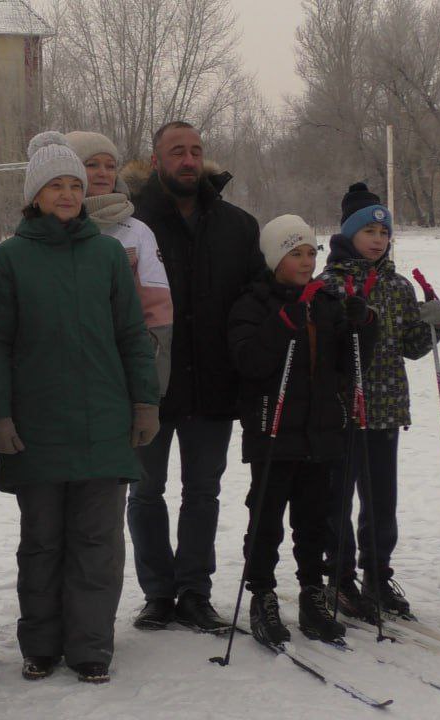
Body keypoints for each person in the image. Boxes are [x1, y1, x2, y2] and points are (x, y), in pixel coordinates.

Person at [0, 131, 159, 683]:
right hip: (36, 426)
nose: (67, 194)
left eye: (73, 185)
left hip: (104, 422)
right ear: (34, 196)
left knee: (98, 544)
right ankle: (41, 643)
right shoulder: (8, 259)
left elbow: (132, 332)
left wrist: (144, 401)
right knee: (42, 542)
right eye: (54, 185)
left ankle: (90, 647)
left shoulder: (107, 254)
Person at [125, 121, 262, 633]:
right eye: (176, 151)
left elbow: (254, 304)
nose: (187, 160)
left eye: (196, 151)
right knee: (145, 492)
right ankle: (157, 593)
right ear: (157, 160)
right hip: (149, 386)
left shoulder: (237, 226)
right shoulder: (131, 224)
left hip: (214, 385)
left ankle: (194, 591)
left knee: (203, 492)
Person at [227, 214, 375, 645]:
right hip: (272, 430)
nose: (307, 261)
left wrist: (361, 323)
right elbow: (249, 363)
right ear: (275, 258)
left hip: (320, 431)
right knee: (267, 517)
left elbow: (351, 364)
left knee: (315, 519)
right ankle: (263, 593)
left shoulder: (325, 303)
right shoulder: (253, 304)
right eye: (296, 253)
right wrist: (283, 324)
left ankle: (313, 591)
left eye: (312, 252)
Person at [318, 182, 440, 620]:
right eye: (369, 231)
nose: (377, 239)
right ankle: (340, 576)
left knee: (381, 501)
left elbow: (412, 346)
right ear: (349, 233)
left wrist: (432, 326)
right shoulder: (330, 285)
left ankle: (377, 573)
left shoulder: (398, 287)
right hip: (343, 411)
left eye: (385, 233)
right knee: (337, 499)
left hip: (386, 407)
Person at [66, 130, 173, 396]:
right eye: (92, 165)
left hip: (117, 377)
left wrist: (149, 388)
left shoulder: (136, 231)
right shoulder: (49, 227)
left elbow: (157, 311)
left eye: (110, 166)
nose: (103, 173)